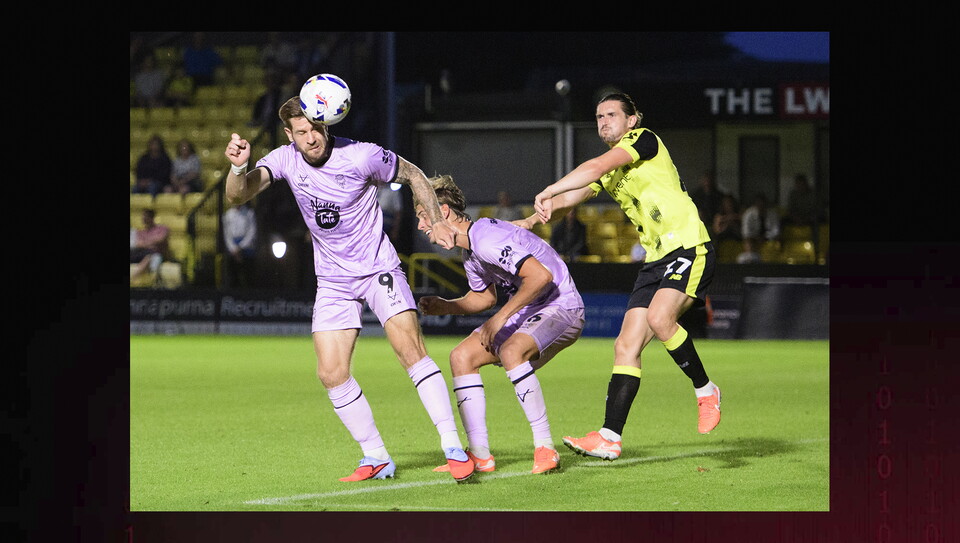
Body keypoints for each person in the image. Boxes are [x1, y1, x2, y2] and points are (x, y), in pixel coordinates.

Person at [223, 96, 474, 483]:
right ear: (290, 135)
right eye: (301, 132)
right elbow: (237, 194)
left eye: (315, 128)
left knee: (410, 350)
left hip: (378, 269)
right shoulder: (284, 158)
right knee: (330, 372)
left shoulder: (361, 156)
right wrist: (239, 165)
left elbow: (414, 174)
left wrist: (438, 220)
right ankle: (375, 456)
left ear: (328, 123)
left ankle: (453, 447)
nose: (310, 138)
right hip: (334, 280)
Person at [531, 92, 722, 461]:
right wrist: (529, 218)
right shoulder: (612, 171)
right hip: (655, 260)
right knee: (625, 346)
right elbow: (575, 196)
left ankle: (705, 390)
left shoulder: (643, 139)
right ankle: (609, 437)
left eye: (611, 115)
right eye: (599, 116)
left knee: (659, 318)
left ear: (632, 119)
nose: (603, 122)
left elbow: (596, 167)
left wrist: (550, 188)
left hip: (687, 246)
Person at [415, 175, 585, 475]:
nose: (419, 225)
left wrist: (500, 318)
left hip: (562, 305)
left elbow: (541, 276)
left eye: (421, 216)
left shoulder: (486, 238)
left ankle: (545, 448)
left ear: (442, 212)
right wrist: (446, 304)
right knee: (461, 357)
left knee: (511, 351)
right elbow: (484, 298)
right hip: (534, 307)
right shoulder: (472, 251)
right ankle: (480, 455)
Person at [222, 201, 258, 289]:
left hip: (246, 247)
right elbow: (227, 234)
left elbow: (251, 232)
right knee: (232, 275)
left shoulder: (249, 213)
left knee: (248, 275)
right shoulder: (228, 215)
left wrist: (241, 247)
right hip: (233, 247)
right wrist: (233, 248)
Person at [737, 192, 780, 264]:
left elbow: (776, 231)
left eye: (763, 205)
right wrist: (756, 238)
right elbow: (746, 233)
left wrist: (765, 237)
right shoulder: (748, 215)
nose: (761, 207)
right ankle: (750, 258)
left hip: (769, 240)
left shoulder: (773, 214)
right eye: (759, 204)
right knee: (748, 242)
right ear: (755, 205)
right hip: (753, 239)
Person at [130, 208, 170, 283]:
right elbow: (138, 244)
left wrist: (146, 243)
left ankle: (133, 278)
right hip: (141, 253)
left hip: (157, 253)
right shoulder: (141, 232)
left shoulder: (162, 228)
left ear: (151, 218)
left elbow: (161, 239)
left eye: (145, 217)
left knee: (149, 256)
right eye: (143, 217)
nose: (143, 219)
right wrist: (151, 242)